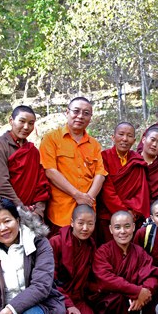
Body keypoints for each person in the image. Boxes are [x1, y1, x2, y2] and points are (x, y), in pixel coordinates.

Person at [90, 210, 158, 314]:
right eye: (117, 227)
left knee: (153, 294)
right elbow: (106, 279)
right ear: (111, 229)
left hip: (135, 299)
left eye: (127, 226)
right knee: (118, 298)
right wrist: (136, 291)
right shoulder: (103, 252)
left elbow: (152, 275)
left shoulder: (139, 252)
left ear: (134, 227)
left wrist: (145, 292)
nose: (122, 231)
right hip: (111, 300)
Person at [39, 97, 107, 229]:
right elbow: (50, 171)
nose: (80, 116)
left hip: (87, 211)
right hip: (60, 212)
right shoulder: (51, 138)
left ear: (90, 117)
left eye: (86, 113)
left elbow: (100, 174)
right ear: (67, 112)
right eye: (76, 111)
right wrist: (77, 195)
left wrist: (87, 199)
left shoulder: (94, 144)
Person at [49, 205, 104, 314]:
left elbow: (91, 277)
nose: (85, 228)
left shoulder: (90, 245)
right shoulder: (56, 242)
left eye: (90, 224)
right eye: (81, 223)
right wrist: (68, 304)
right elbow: (49, 281)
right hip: (57, 298)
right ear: (72, 222)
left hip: (78, 298)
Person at [0, 106, 49, 219]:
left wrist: (38, 210)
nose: (26, 127)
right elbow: (0, 183)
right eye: (22, 121)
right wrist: (22, 208)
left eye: (31, 123)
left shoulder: (33, 151)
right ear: (11, 121)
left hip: (32, 212)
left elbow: (40, 183)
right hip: (6, 211)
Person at [97, 122, 150, 244]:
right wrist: (124, 212)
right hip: (108, 215)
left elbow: (142, 190)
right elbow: (107, 190)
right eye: (121, 134)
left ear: (134, 140)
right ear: (113, 137)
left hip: (132, 216)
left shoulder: (137, 160)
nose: (125, 139)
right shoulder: (103, 157)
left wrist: (134, 212)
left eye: (129, 136)